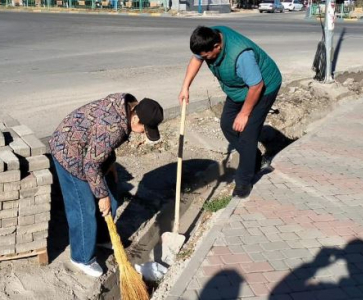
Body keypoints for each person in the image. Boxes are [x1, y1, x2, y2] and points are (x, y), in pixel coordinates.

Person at [49, 93, 164, 278]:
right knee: (83, 207)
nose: (144, 132)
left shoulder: (126, 110)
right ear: (135, 117)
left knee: (112, 195)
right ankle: (81, 257)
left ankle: (102, 237)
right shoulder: (113, 127)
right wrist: (100, 196)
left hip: (88, 151)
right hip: (68, 151)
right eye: (144, 128)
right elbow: (91, 164)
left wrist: (110, 165)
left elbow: (102, 146)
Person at [179, 25, 282, 198]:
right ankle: (253, 156)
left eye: (207, 56)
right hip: (239, 89)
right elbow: (196, 59)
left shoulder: (241, 55)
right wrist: (185, 87)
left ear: (217, 47)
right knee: (227, 125)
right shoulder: (207, 38)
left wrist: (244, 113)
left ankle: (244, 182)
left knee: (248, 133)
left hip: (263, 88)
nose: (205, 60)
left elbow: (256, 86)